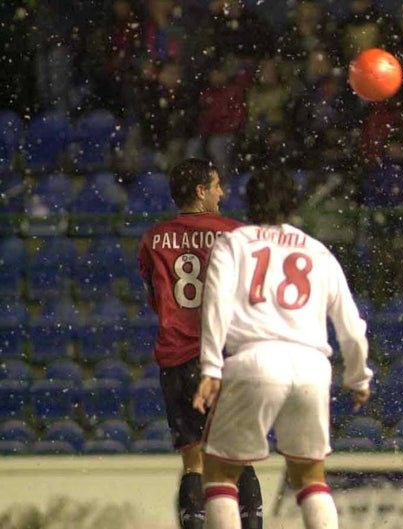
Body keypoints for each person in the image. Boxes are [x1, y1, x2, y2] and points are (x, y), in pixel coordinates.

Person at [192, 168, 372, 529]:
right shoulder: (318, 251)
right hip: (311, 366)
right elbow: (352, 326)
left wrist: (211, 367)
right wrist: (359, 376)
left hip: (255, 358)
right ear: (294, 205)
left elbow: (216, 303)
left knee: (220, 474)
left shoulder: (234, 242)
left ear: (248, 201)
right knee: (311, 477)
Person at [138, 158, 264, 529]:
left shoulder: (153, 238)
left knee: (193, 461)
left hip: (177, 358)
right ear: (200, 191)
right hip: (224, 357)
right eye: (216, 185)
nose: (222, 192)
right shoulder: (236, 234)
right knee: (239, 460)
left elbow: (156, 297)